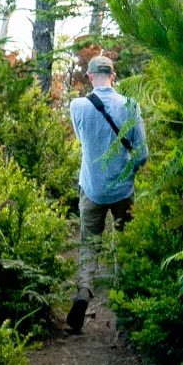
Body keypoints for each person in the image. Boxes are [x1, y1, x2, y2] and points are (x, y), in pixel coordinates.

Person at [66, 52, 148, 333]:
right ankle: (125, 312)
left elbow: (82, 141)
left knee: (90, 244)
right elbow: (142, 153)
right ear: (113, 76)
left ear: (90, 77)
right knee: (124, 244)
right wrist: (129, 172)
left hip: (92, 188)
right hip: (123, 189)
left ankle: (83, 293)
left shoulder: (78, 106)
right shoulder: (130, 105)